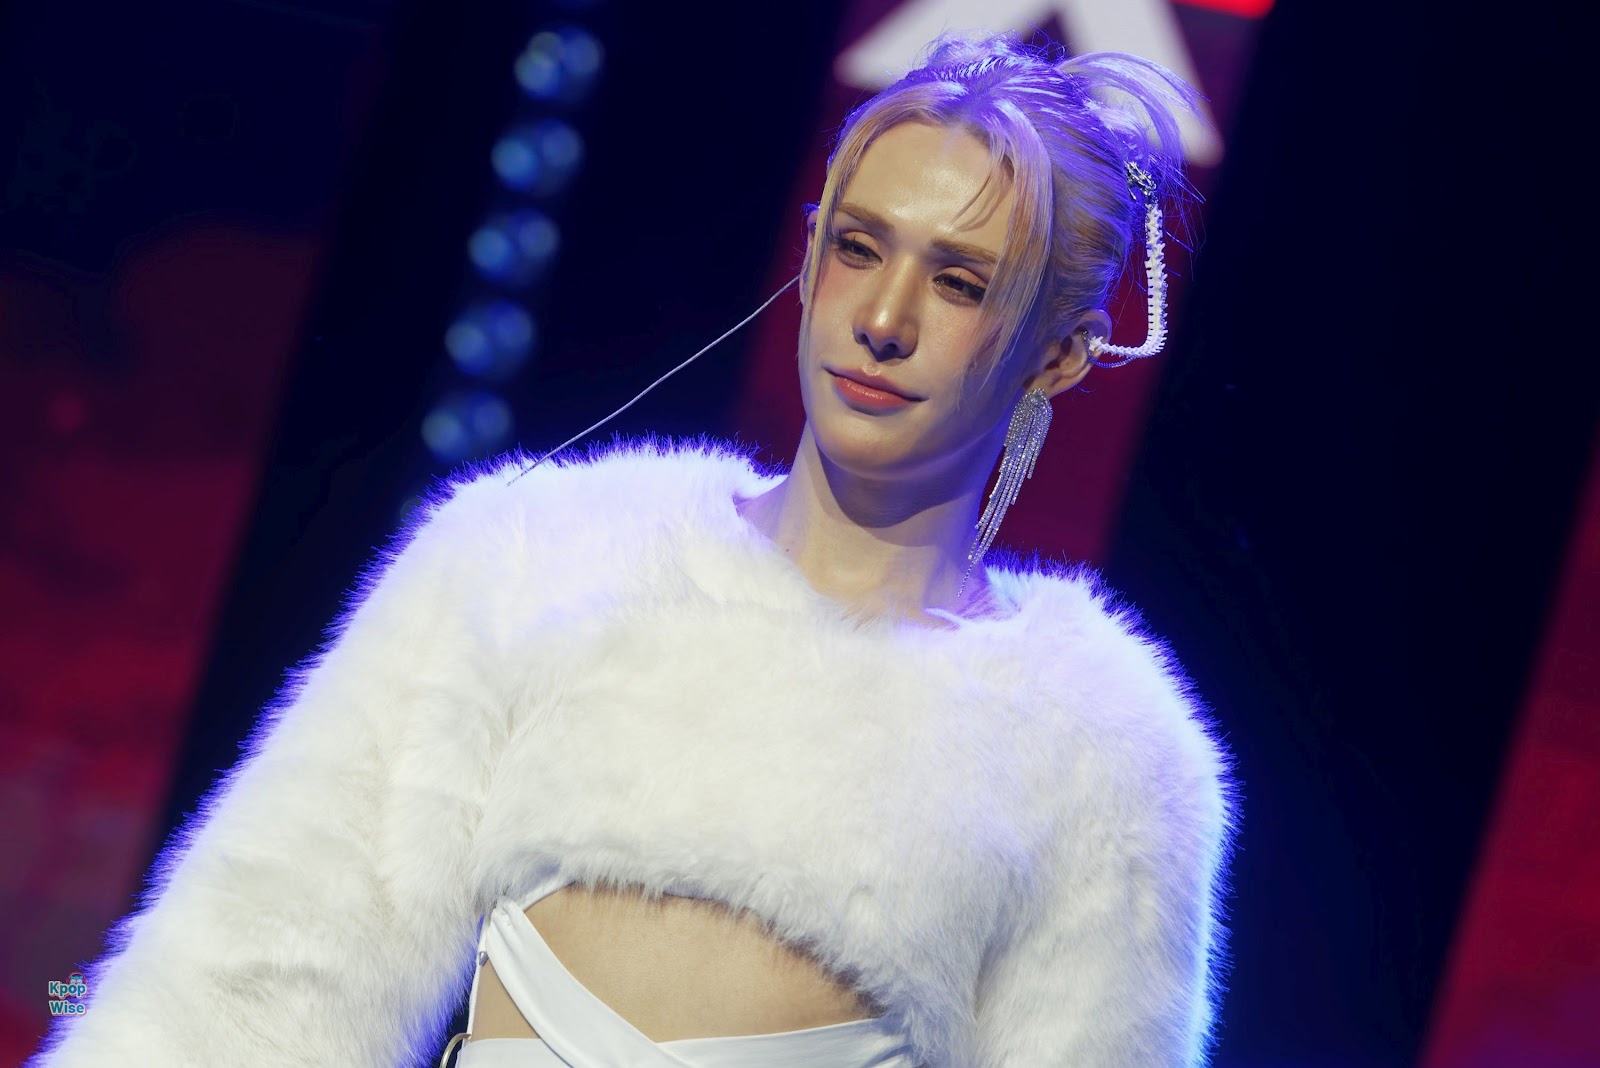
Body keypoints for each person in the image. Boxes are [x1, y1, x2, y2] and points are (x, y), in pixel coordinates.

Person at [28, 29, 1237, 1068]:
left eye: (960, 282)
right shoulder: (534, 561)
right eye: (859, 247)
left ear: (1059, 354)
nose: (881, 319)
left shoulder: (1102, 754)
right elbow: (246, 989)